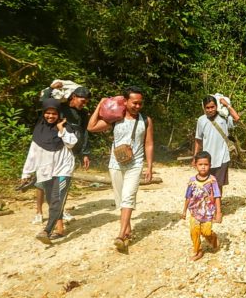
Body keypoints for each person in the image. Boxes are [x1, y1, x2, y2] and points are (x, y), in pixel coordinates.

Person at [87, 86, 154, 251]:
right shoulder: (115, 117)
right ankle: (128, 228)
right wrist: (100, 105)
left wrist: (149, 166)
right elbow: (91, 127)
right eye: (134, 103)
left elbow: (149, 143)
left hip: (135, 164)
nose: (137, 106)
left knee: (128, 197)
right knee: (120, 199)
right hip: (115, 164)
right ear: (125, 101)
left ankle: (121, 234)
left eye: (140, 103)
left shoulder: (146, 120)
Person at [20, 98, 78, 244]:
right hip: (45, 170)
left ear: (59, 114)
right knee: (51, 200)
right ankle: (60, 229)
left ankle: (47, 230)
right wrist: (26, 173)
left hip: (63, 168)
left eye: (54, 113)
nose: (51, 116)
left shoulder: (65, 127)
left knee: (57, 199)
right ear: (43, 113)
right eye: (48, 113)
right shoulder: (39, 130)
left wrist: (61, 129)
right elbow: (32, 153)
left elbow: (71, 143)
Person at [31, 85, 92, 225]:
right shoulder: (61, 107)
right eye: (82, 101)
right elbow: (44, 102)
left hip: (68, 149)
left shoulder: (83, 114)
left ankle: (60, 211)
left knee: (62, 181)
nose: (84, 104)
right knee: (42, 179)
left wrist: (85, 153)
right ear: (73, 97)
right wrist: (50, 87)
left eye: (86, 102)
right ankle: (38, 212)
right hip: (49, 145)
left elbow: (84, 133)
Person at [194, 95, 240, 193]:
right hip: (207, 158)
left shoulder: (224, 118)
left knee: (218, 184)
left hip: (222, 157)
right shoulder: (201, 120)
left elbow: (236, 118)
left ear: (216, 106)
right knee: (206, 182)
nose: (210, 110)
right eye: (207, 108)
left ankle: (217, 206)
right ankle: (209, 205)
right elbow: (198, 139)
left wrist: (227, 105)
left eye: (212, 107)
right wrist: (195, 157)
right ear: (204, 108)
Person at [182, 151, 222, 261]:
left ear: (210, 165)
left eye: (206, 164)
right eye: (200, 164)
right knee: (194, 231)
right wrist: (184, 211)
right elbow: (188, 196)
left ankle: (212, 238)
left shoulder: (212, 180)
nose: (203, 167)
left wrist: (219, 213)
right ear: (195, 165)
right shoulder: (192, 181)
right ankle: (198, 250)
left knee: (206, 231)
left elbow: (217, 196)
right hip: (194, 211)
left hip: (208, 212)